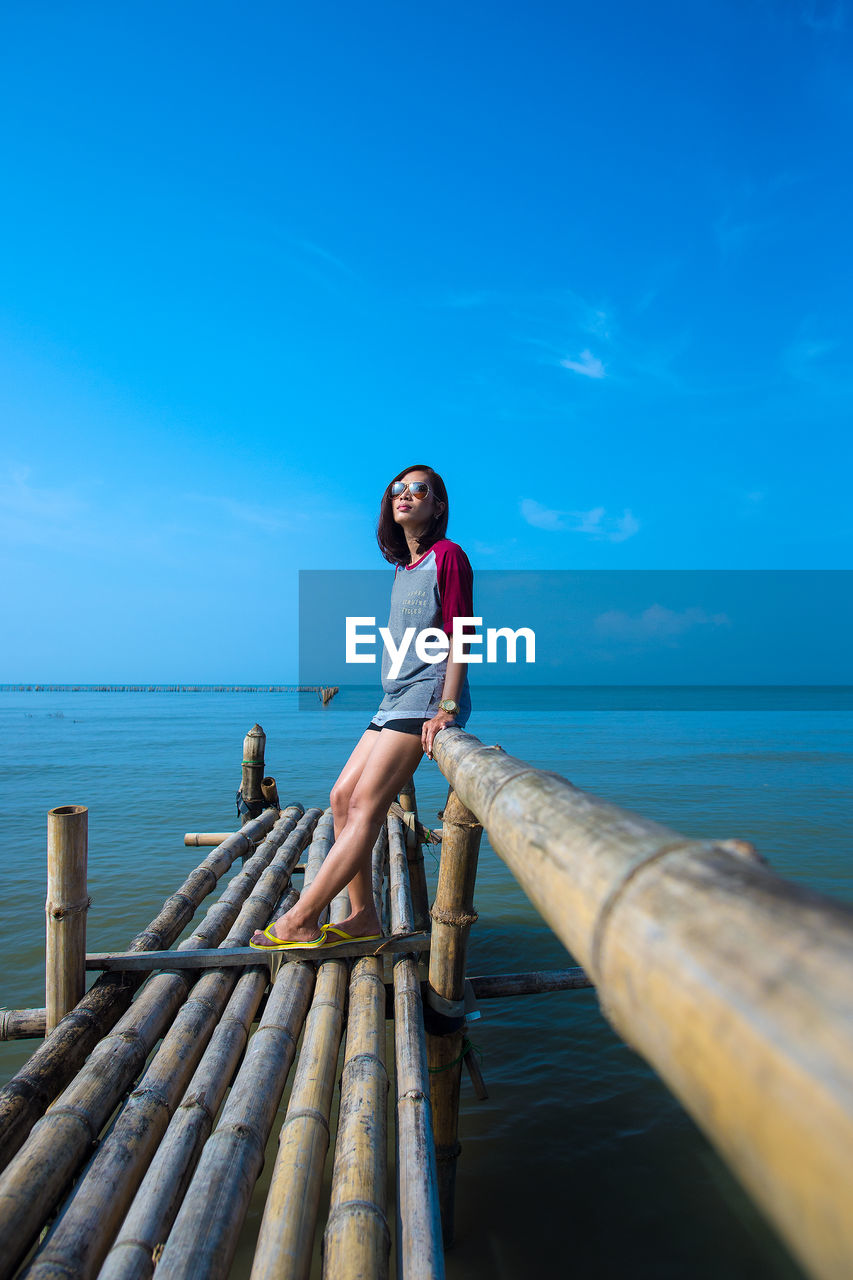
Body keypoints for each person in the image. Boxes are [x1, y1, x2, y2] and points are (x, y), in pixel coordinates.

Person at [250, 464, 474, 950]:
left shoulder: (448, 556)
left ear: (438, 507)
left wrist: (448, 708)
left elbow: (463, 634)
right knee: (339, 798)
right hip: (392, 698)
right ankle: (364, 916)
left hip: (426, 697)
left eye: (420, 490)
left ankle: (302, 918)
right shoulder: (402, 569)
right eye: (399, 488)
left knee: (367, 803)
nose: (406, 495)